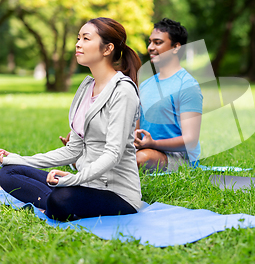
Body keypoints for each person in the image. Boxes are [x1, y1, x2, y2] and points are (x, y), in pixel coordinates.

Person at [0, 17, 142, 221]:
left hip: (117, 193)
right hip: (83, 184)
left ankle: (55, 202)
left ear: (107, 48)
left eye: (86, 38)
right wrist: (15, 158)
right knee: (8, 173)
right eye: (78, 38)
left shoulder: (123, 91)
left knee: (61, 199)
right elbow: (73, 149)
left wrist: (73, 180)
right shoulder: (86, 88)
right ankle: (56, 201)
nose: (78, 44)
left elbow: (113, 154)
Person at [134, 18, 203, 171]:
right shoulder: (145, 85)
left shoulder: (187, 85)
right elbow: (136, 132)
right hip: (145, 149)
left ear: (176, 47)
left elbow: (190, 140)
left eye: (157, 43)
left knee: (140, 158)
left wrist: (153, 144)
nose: (150, 47)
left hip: (177, 156)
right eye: (150, 42)